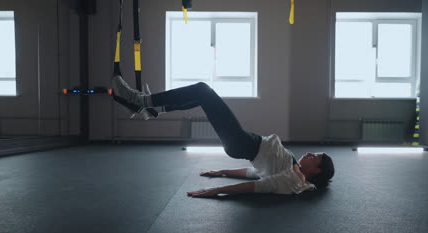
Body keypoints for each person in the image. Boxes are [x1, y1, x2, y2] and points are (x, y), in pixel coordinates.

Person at [111, 75, 335, 198]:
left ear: (316, 170)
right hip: (243, 143)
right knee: (202, 96)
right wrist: (222, 172)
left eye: (315, 156)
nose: (309, 153)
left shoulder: (294, 180)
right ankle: (153, 109)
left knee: (202, 89)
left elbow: (259, 186)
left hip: (243, 142)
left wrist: (216, 191)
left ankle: (141, 101)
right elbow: (254, 173)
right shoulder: (293, 169)